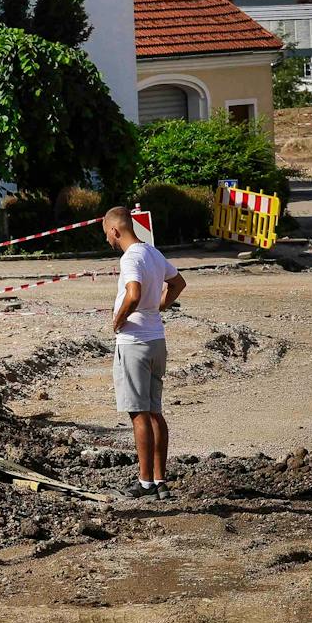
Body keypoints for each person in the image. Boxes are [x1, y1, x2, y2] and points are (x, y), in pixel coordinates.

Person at [104, 206, 187, 499]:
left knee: (138, 414)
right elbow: (178, 283)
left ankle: (145, 483)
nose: (107, 240)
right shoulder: (153, 253)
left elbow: (134, 293)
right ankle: (160, 480)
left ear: (115, 230)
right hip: (156, 340)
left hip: (134, 342)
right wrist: (161, 305)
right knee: (154, 412)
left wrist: (118, 320)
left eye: (107, 234)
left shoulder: (130, 258)